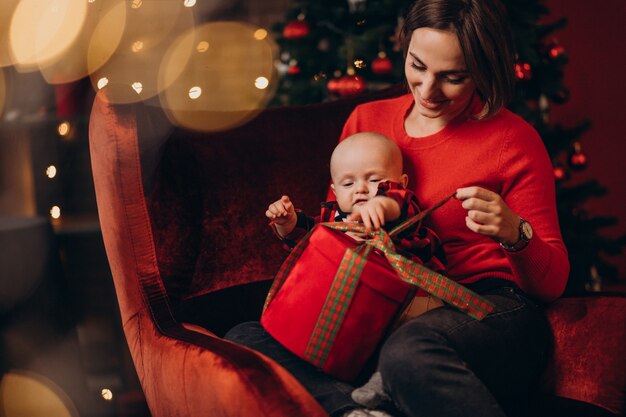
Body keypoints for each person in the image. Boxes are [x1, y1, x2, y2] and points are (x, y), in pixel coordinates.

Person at [225, 1, 570, 416]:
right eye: (418, 66)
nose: (427, 90)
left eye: (453, 77)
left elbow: (552, 284)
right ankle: (354, 412)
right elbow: (339, 233)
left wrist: (516, 234)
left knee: (409, 348)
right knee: (249, 339)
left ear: (482, 68)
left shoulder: (513, 139)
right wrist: (297, 229)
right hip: (385, 303)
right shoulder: (365, 120)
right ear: (404, 48)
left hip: (487, 310)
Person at [265, 131, 445, 275]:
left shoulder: (401, 208)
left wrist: (382, 204)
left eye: (375, 180)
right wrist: (289, 223)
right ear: (335, 192)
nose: (361, 189)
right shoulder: (332, 221)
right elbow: (304, 240)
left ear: (403, 183)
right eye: (349, 183)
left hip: (409, 296)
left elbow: (400, 204)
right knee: (250, 324)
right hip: (346, 300)